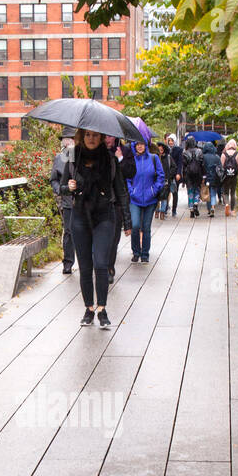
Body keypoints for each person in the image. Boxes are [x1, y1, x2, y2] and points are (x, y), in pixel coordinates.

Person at [64, 128, 126, 328]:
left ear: (101, 137)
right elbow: (59, 184)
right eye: (88, 135)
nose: (91, 138)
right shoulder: (73, 158)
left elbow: (120, 192)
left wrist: (128, 222)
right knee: (85, 266)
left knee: (101, 263)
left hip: (104, 215)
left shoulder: (110, 160)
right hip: (80, 216)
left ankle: (102, 309)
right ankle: (89, 309)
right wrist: (68, 187)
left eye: (95, 135)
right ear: (83, 136)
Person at [127, 135, 166, 263]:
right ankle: (136, 251)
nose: (140, 146)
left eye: (142, 143)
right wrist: (131, 190)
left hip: (150, 199)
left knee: (146, 227)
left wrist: (154, 190)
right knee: (136, 224)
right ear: (134, 145)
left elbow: (161, 176)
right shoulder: (131, 159)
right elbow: (126, 177)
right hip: (135, 199)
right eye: (137, 144)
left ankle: (145, 253)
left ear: (146, 145)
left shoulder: (154, 158)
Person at [102, 135, 135, 283]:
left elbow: (131, 172)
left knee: (113, 240)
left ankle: (109, 267)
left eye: (110, 137)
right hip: (98, 204)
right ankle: (101, 266)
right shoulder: (95, 154)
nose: (107, 140)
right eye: (105, 136)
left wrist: (120, 160)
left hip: (115, 203)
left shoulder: (125, 151)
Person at [50, 135, 75, 274]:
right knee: (69, 232)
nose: (68, 142)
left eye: (71, 139)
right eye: (66, 139)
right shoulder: (59, 158)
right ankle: (68, 263)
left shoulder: (84, 156)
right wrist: (60, 189)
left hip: (84, 201)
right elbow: (53, 179)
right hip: (67, 201)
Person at [221, 139, 238, 216]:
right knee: (233, 192)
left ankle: (227, 204)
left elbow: (221, 166)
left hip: (226, 176)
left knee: (225, 192)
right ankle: (233, 210)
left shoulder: (224, 154)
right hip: (234, 176)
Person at [202, 141, 222, 216]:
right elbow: (220, 167)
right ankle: (213, 207)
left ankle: (209, 209)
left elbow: (202, 167)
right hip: (214, 177)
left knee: (207, 193)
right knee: (213, 193)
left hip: (206, 177)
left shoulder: (204, 157)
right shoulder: (217, 157)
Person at [165, 134, 182, 218]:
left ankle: (174, 210)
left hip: (175, 174)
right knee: (166, 191)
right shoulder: (166, 149)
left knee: (175, 192)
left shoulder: (178, 150)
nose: (170, 142)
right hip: (167, 173)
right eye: (169, 141)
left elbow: (180, 163)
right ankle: (165, 208)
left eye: (172, 141)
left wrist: (179, 173)